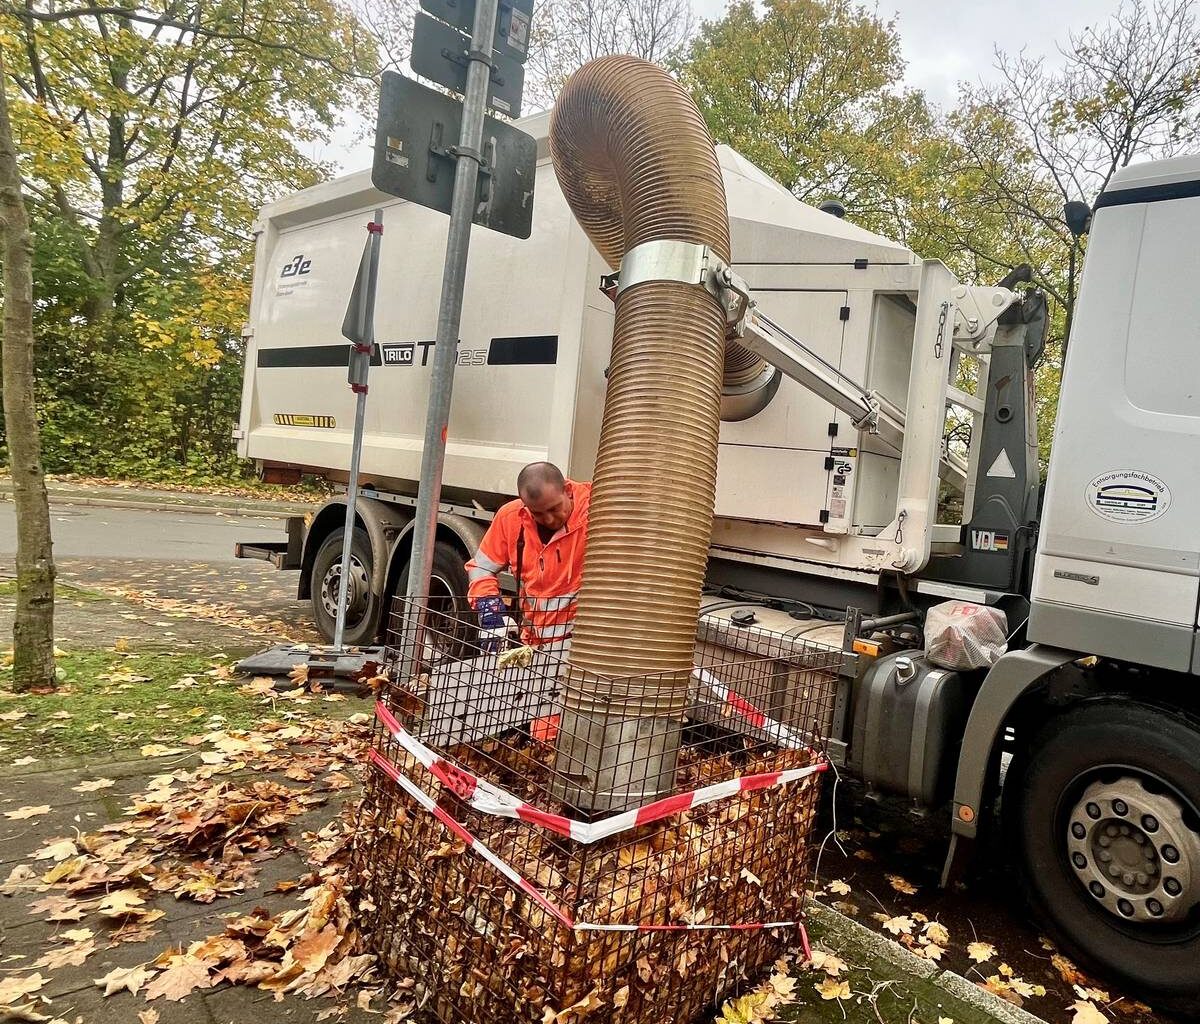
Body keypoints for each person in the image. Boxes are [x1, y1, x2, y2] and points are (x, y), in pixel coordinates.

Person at [466, 462, 591, 648]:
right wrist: (490, 610)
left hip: (579, 646)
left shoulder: (596, 510)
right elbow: (481, 567)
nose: (549, 519)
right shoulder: (511, 518)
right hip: (534, 644)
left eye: (554, 508)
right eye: (538, 513)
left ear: (567, 490)